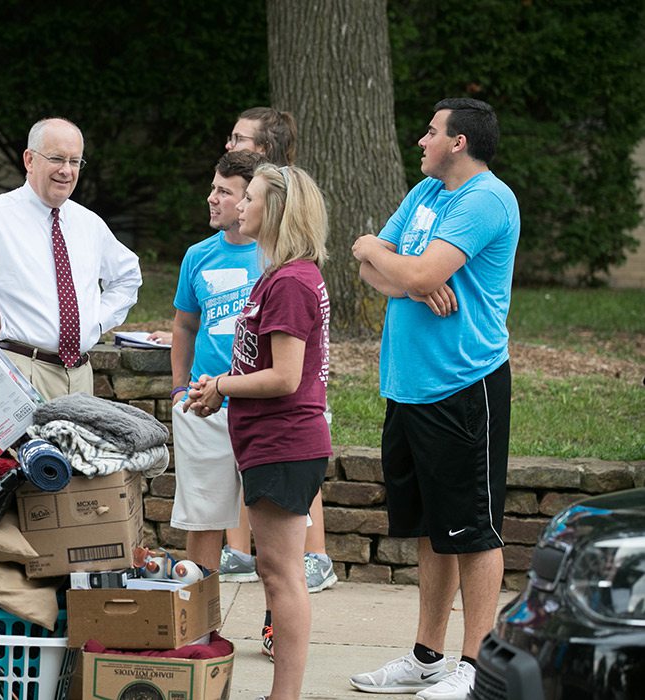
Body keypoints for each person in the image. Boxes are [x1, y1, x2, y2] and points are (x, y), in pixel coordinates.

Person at [349, 97, 519, 700]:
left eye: (431, 131)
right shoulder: (425, 196)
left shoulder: (486, 200)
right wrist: (385, 256)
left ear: (458, 143)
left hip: (463, 385)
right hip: (408, 385)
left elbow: (414, 274)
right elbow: (369, 265)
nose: (421, 140)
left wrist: (403, 270)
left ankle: (477, 670)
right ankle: (427, 657)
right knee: (429, 527)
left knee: (473, 530)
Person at [186, 163, 331, 700]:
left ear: (276, 210)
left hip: (284, 443)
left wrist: (222, 384)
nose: (240, 206)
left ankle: (284, 695)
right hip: (273, 443)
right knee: (276, 570)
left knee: (280, 574)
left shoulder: (291, 281)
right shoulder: (283, 275)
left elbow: (286, 377)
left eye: (249, 197)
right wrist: (219, 389)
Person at [0, 117, 142, 400]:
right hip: (20, 369)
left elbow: (128, 275)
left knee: (72, 448)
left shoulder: (89, 223)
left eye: (75, 162)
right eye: (57, 158)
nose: (66, 170)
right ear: (30, 160)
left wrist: (96, 322)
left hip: (80, 376)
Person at [167, 150, 266, 582]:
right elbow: (185, 326)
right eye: (213, 188)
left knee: (273, 525)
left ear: (249, 202)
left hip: (262, 407)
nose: (212, 198)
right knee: (202, 521)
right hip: (203, 406)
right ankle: (200, 625)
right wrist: (177, 388)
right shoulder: (198, 256)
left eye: (224, 192)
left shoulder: (275, 260)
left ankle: (274, 625)